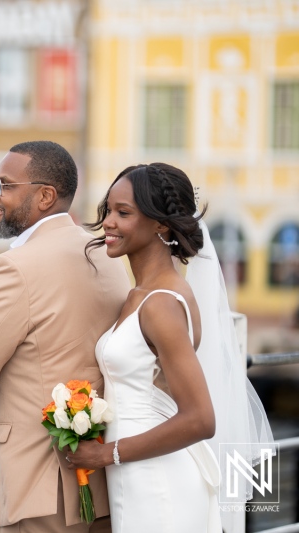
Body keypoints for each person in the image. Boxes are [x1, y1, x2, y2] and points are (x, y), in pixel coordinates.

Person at [0, 141, 130, 533]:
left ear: (44, 196)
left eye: (5, 185)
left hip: (43, 489)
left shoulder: (16, 267)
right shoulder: (106, 257)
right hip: (103, 486)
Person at [66, 163, 274, 533]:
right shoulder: (141, 295)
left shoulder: (161, 304)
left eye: (123, 213)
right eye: (108, 210)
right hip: (135, 475)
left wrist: (105, 453)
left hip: (158, 481)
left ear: (161, 224)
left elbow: (201, 419)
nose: (109, 222)